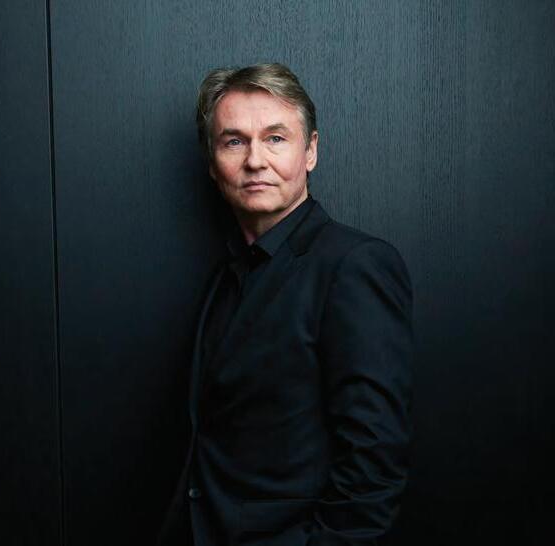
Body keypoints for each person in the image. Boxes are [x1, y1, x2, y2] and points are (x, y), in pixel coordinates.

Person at [157, 63, 413, 546]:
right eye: (234, 141)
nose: (255, 160)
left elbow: (374, 462)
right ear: (212, 163)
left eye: (275, 138)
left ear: (310, 150)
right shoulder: (226, 276)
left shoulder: (354, 266)